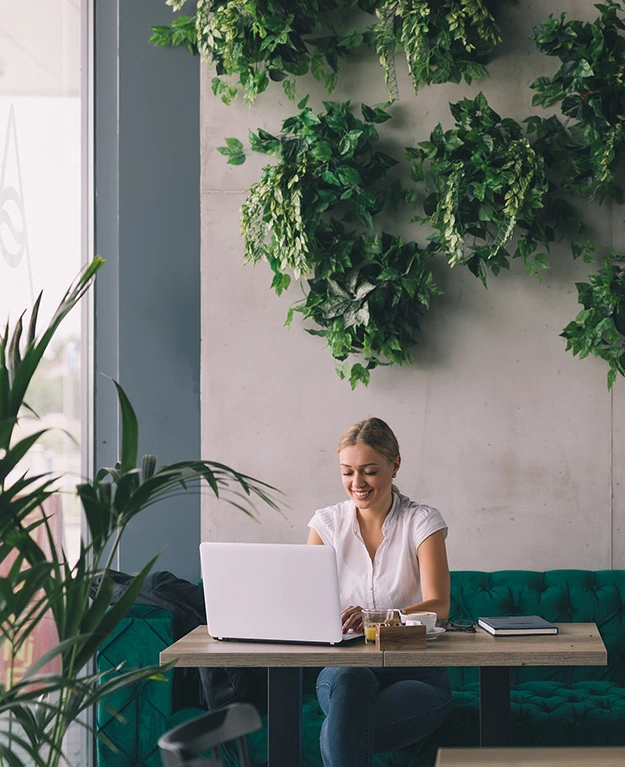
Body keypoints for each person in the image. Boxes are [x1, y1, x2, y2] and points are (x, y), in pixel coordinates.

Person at [307, 417, 453, 767]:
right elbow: (308, 608)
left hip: (416, 671)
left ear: (395, 465)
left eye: (369, 471)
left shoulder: (421, 522)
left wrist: (375, 618)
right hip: (342, 671)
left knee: (341, 726)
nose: (357, 483)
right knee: (349, 679)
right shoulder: (326, 525)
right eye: (347, 471)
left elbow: (440, 606)